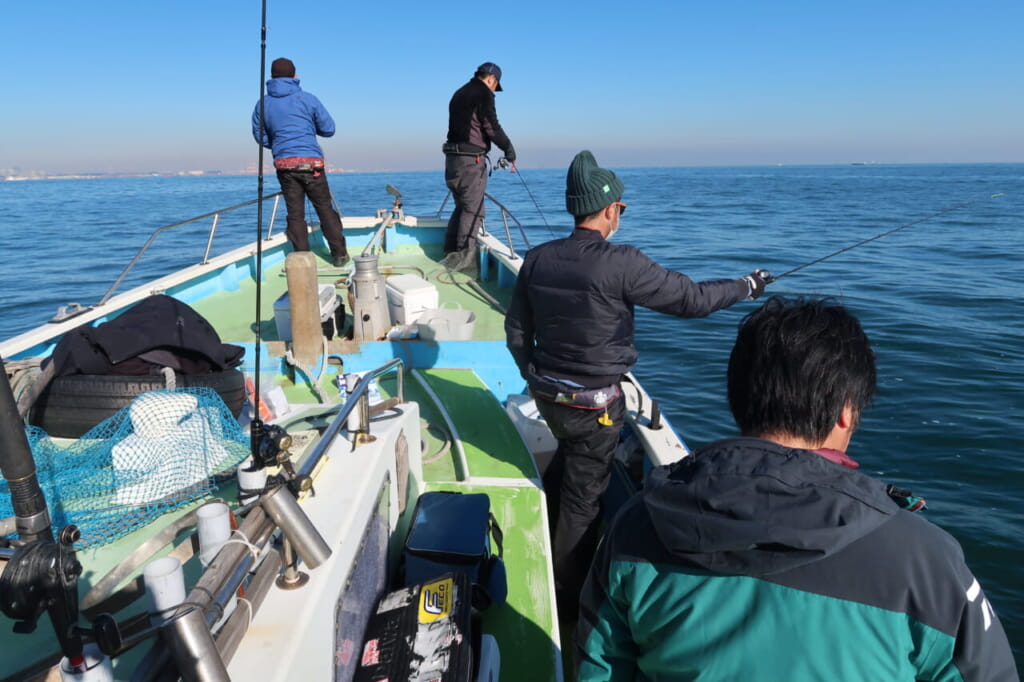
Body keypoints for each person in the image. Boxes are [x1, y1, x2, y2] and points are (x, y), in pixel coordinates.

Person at [576, 296, 1019, 682]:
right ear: (846, 413)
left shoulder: (638, 524)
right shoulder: (925, 558)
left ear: (738, 398)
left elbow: (599, 667)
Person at [504, 149, 770, 617]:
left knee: (568, 455)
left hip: (547, 395)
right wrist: (747, 286)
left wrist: (535, 375)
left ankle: (540, 523)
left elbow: (516, 333)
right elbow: (691, 300)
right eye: (620, 209)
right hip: (594, 409)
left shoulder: (538, 259)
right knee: (585, 505)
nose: (620, 216)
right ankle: (565, 598)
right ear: (609, 209)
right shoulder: (621, 262)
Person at [252, 57, 349, 267]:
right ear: (295, 76)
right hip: (311, 164)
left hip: (285, 165)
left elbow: (261, 136)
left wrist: (280, 145)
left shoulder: (263, 103)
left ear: (272, 77)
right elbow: (329, 129)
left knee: (295, 215)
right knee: (324, 208)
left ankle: (303, 262)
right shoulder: (307, 99)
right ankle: (340, 255)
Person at [441, 62, 516, 275]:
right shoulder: (483, 94)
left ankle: (450, 253)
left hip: (452, 159)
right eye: (495, 86)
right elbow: (491, 126)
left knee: (462, 206)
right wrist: (509, 149)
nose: (494, 91)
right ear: (492, 80)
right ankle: (465, 259)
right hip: (470, 160)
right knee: (473, 209)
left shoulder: (459, 93)